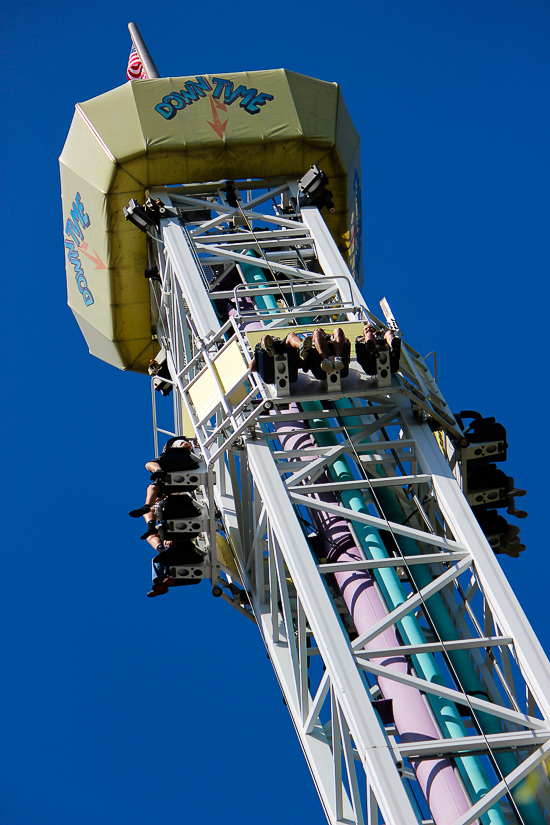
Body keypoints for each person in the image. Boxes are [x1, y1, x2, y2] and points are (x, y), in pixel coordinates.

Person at [129, 437, 199, 539]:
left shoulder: (175, 445)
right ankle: (148, 516)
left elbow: (186, 446)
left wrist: (175, 452)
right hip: (172, 480)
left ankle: (158, 471)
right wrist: (159, 498)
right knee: (152, 488)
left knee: (148, 464)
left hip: (179, 462)